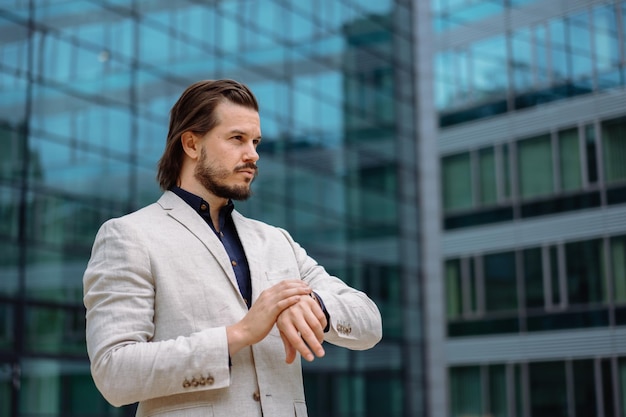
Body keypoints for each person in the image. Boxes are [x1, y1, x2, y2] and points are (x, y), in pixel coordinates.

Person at [83, 79, 382, 417]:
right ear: (192, 144)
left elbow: (369, 322)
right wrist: (238, 335)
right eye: (237, 139)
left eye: (255, 142)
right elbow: (114, 373)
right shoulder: (129, 236)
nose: (252, 154)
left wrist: (315, 305)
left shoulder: (276, 241)